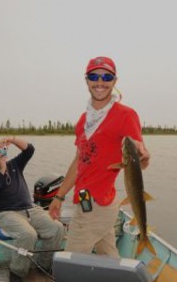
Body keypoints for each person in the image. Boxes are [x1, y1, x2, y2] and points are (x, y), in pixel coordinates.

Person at [49, 56, 150, 257]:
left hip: (98, 204)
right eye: (94, 76)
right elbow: (79, 162)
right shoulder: (83, 121)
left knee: (72, 262)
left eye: (107, 77)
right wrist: (59, 196)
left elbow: (140, 159)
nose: (100, 82)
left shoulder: (126, 115)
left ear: (115, 81)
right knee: (108, 255)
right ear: (86, 80)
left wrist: (143, 156)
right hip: (84, 197)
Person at [0, 136, 64, 282]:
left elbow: (29, 150)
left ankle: (43, 266)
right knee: (28, 235)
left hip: (31, 209)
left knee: (57, 228)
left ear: (5, 151)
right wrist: (2, 168)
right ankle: (17, 273)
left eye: (0, 152)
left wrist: (12, 140)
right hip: (7, 213)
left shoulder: (15, 165)